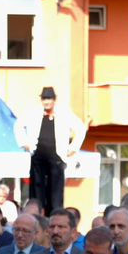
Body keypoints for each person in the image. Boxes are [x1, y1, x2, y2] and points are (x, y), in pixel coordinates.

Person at [21, 86, 85, 214]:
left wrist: (73, 148)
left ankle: (55, 215)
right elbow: (18, 125)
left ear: (54, 100)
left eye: (49, 99)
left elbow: (80, 128)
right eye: (44, 99)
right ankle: (36, 214)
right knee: (37, 189)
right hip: (38, 155)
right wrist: (25, 143)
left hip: (57, 157)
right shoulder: (34, 113)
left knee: (56, 192)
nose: (47, 102)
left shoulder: (64, 114)